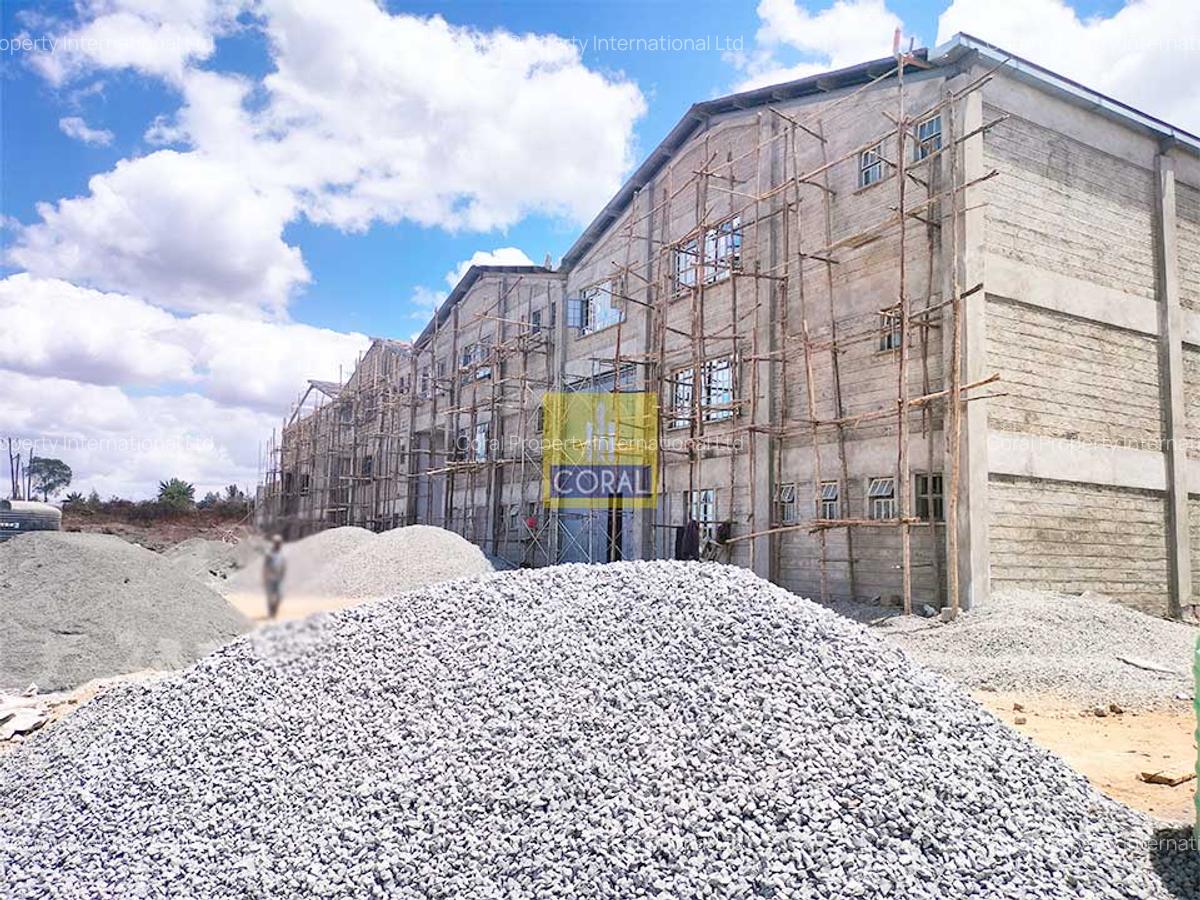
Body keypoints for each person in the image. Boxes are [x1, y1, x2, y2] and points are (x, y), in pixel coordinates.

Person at [263, 534, 286, 619]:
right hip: (270, 578)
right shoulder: (269, 554)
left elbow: (283, 565)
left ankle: (274, 609)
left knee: (280, 595)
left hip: (279, 578)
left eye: (279, 543)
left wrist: (283, 574)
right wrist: (265, 577)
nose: (278, 544)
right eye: (276, 542)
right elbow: (265, 566)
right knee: (270, 596)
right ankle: (271, 612)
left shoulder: (282, 554)